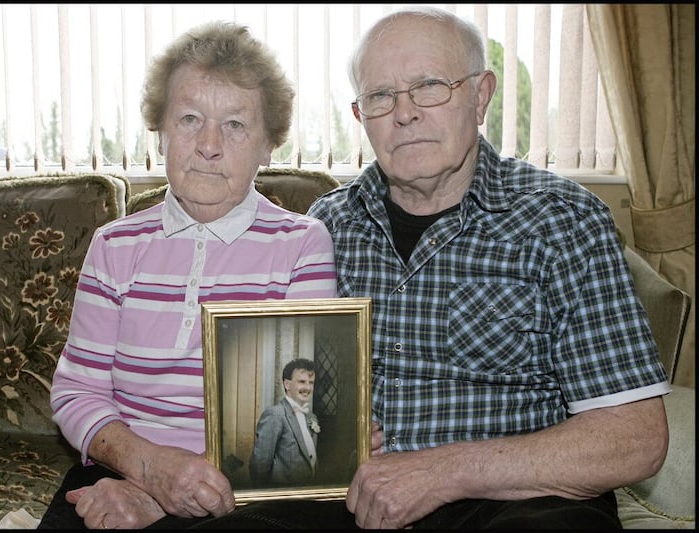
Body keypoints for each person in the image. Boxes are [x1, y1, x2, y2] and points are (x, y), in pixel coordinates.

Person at [305, 6, 671, 530]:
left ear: (480, 97)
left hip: (516, 503)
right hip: (354, 498)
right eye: (380, 96)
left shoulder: (563, 221)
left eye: (429, 85)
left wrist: (443, 472)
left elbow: (634, 438)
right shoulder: (325, 225)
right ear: (362, 117)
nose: (404, 113)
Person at [38, 20, 338, 530]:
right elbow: (76, 393)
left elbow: (296, 408)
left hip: (248, 494)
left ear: (269, 145)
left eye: (236, 125)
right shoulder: (114, 246)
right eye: (190, 118)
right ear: (160, 131)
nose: (209, 145)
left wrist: (167, 497)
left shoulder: (302, 246)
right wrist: (150, 471)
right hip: (122, 471)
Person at [249, 358, 321, 487]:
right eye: (302, 382)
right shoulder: (275, 415)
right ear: (287, 384)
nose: (308, 387)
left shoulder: (311, 417)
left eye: (311, 382)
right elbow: (259, 466)